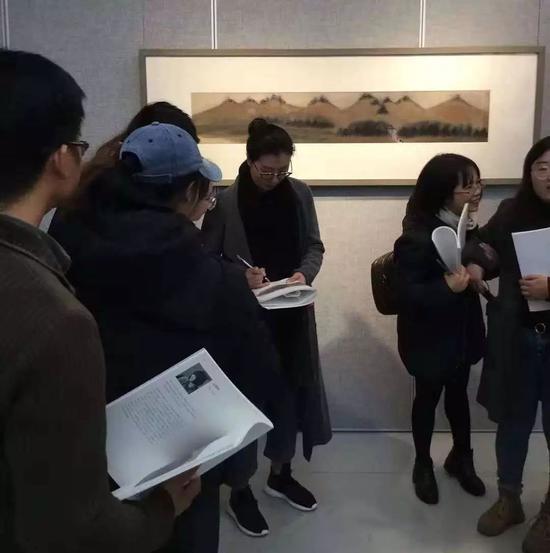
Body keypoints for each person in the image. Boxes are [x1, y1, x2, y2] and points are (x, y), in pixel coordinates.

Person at [0, 50, 200, 553]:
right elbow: (73, 528)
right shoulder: (54, 318)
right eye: (77, 143)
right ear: (61, 158)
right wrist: (162, 509)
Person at [49, 122, 277, 553]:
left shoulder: (66, 241)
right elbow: (256, 378)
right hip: (182, 467)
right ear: (190, 191)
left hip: (88, 451)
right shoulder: (211, 277)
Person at [202, 118, 332, 538]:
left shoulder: (300, 194)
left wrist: (302, 274)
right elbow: (207, 259)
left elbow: (315, 246)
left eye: (282, 170)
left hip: (292, 315)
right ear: (249, 161)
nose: (275, 178)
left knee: (289, 396)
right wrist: (240, 277)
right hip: (246, 322)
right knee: (246, 404)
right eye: (266, 170)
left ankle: (281, 472)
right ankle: (240, 490)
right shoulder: (225, 203)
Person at [470, 137, 550, 553]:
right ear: (529, 172)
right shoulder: (511, 211)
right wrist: (476, 263)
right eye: (542, 167)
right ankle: (509, 499)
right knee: (513, 423)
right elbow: (485, 245)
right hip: (518, 338)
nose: (549, 176)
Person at [393, 154, 486, 505]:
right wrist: (446, 287)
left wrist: (477, 268)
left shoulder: (465, 223)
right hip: (428, 338)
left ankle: (462, 457)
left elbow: (482, 254)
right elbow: (406, 295)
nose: (476, 193)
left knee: (459, 396)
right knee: (427, 399)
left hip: (461, 333)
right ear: (442, 192)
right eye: (468, 187)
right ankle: (423, 464)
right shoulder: (415, 237)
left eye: (478, 184)